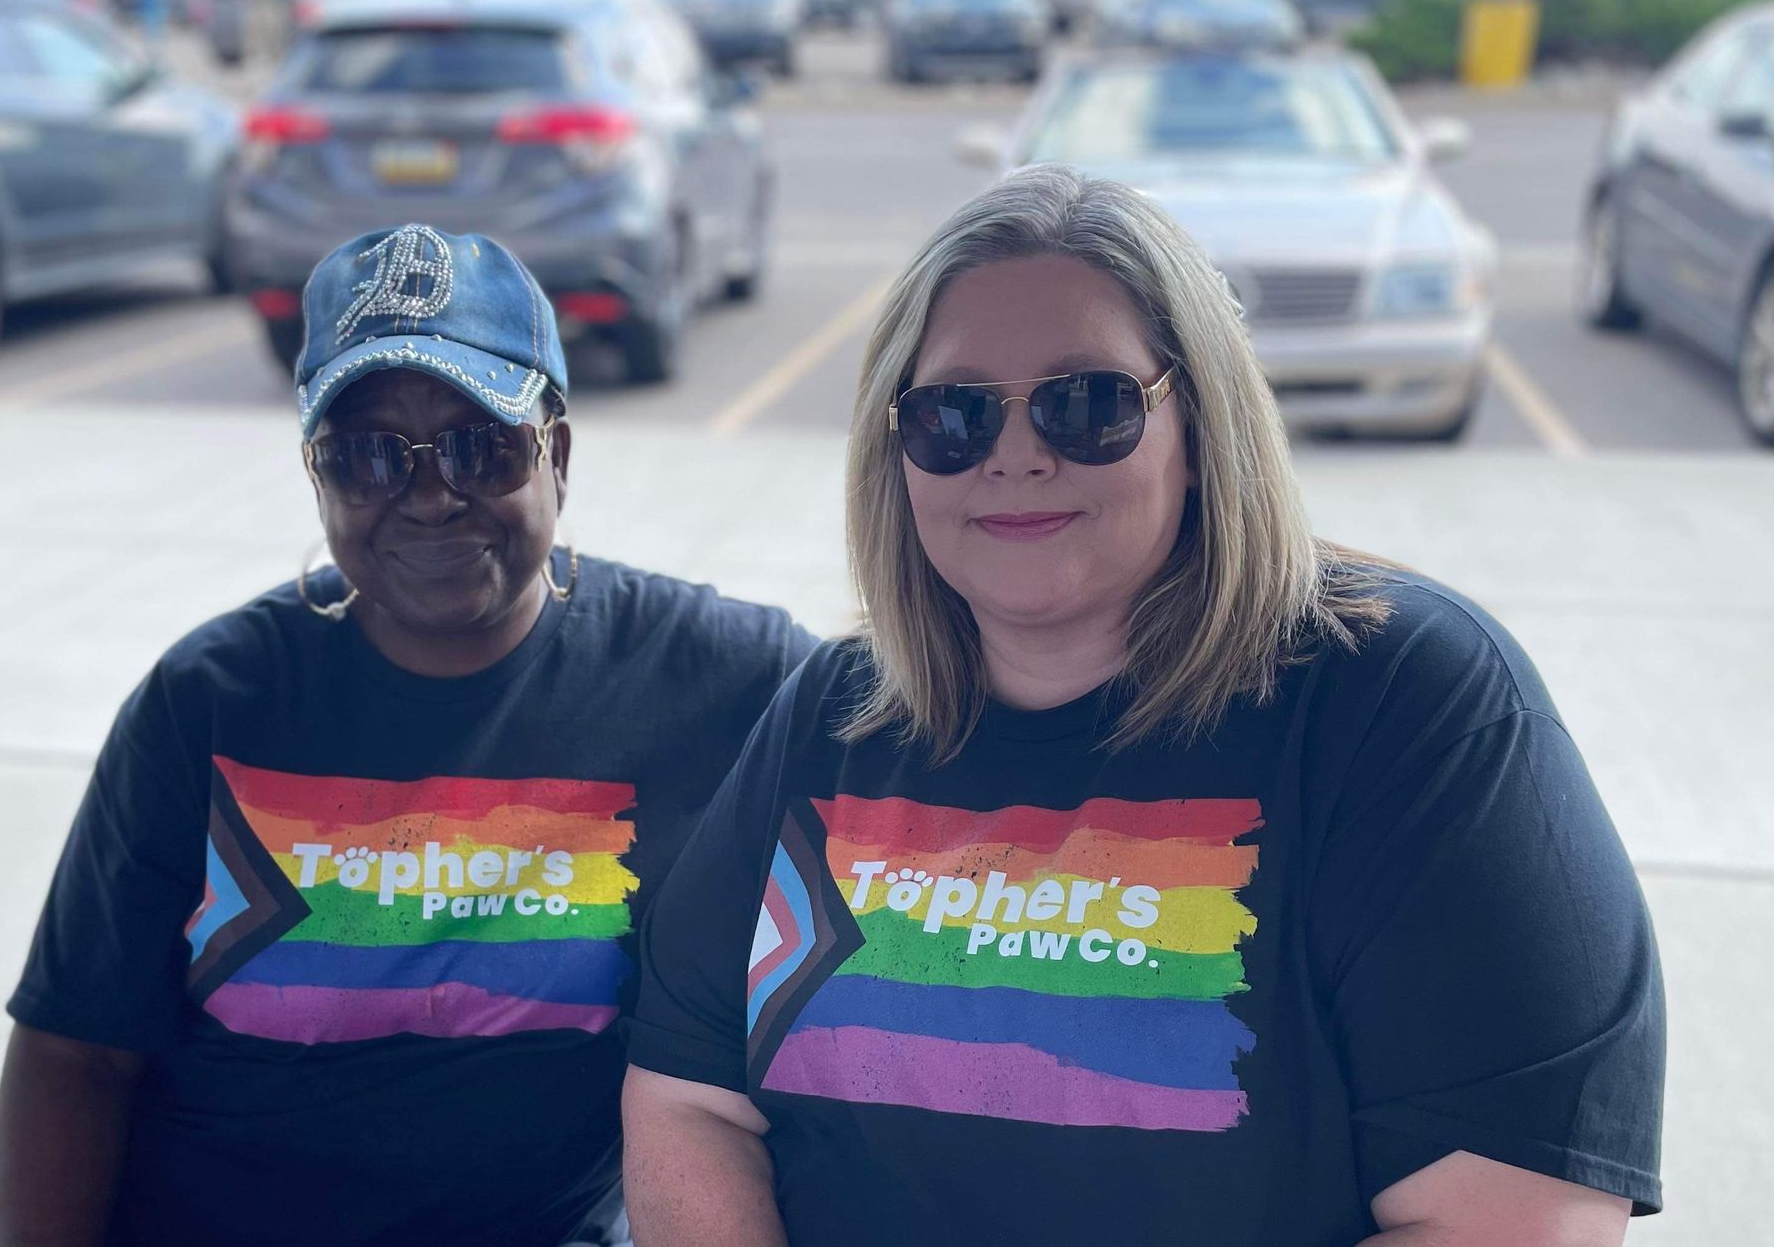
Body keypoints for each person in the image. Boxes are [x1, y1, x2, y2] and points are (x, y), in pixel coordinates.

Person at [622, 166, 1665, 1246]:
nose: (1018, 455)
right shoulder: (836, 718)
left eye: (1089, 405)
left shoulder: (1412, 709)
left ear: (1202, 426)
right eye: (955, 415)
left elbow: (1512, 1222)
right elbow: (687, 1098)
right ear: (898, 450)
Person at [0, 224, 815, 1245]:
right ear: (316, 476)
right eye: (367, 458)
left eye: (479, 445)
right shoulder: (212, 701)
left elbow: (932, 720)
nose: (430, 498)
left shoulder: (720, 678)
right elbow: (74, 1052)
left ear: (559, 454)